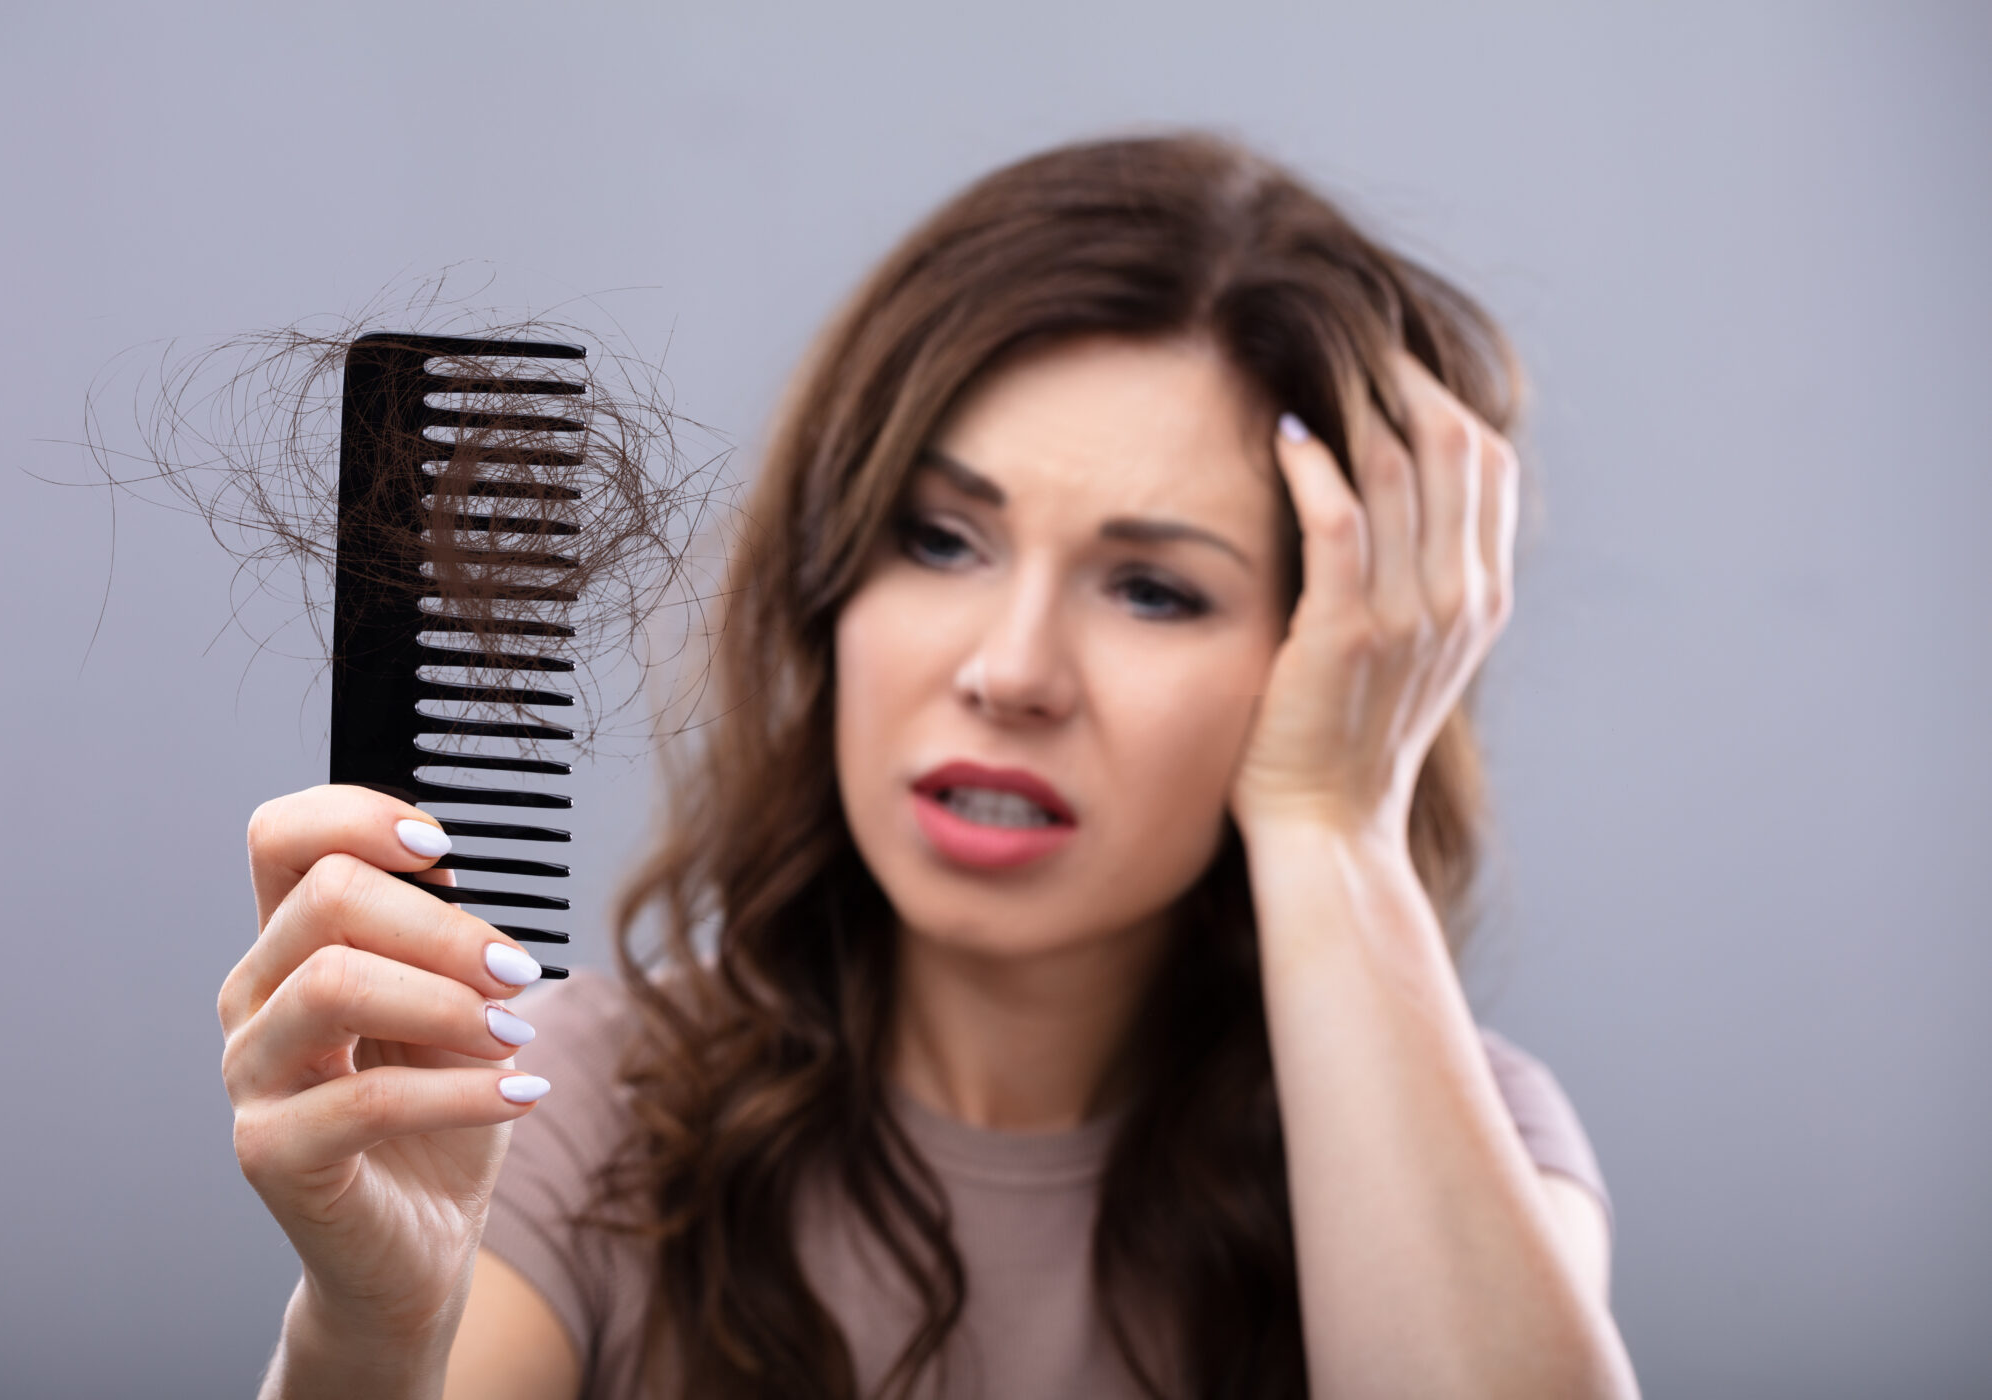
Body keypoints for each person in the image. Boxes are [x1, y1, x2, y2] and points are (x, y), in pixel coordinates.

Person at [219, 132, 1641, 1399]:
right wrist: (373, 1333)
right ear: (830, 585)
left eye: (1154, 589)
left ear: (1340, 658)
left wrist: (1334, 818)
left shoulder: (1464, 1141)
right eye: (943, 540)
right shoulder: (573, 1108)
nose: (1010, 670)